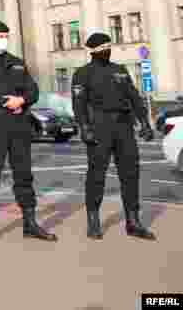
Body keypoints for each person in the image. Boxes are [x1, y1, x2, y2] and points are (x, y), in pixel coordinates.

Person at [0, 21, 56, 243]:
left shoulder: (17, 63)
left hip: (19, 126)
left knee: (24, 175)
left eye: (6, 35)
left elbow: (33, 90)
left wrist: (22, 100)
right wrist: (4, 101)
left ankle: (30, 224)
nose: (3, 39)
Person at [73, 32, 156, 240]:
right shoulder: (83, 73)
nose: (108, 52)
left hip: (123, 126)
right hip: (99, 126)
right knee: (96, 175)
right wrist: (84, 127)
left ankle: (133, 221)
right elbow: (79, 104)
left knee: (130, 173)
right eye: (103, 49)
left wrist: (144, 122)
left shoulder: (119, 70)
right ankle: (93, 221)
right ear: (94, 52)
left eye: (109, 48)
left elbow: (134, 97)